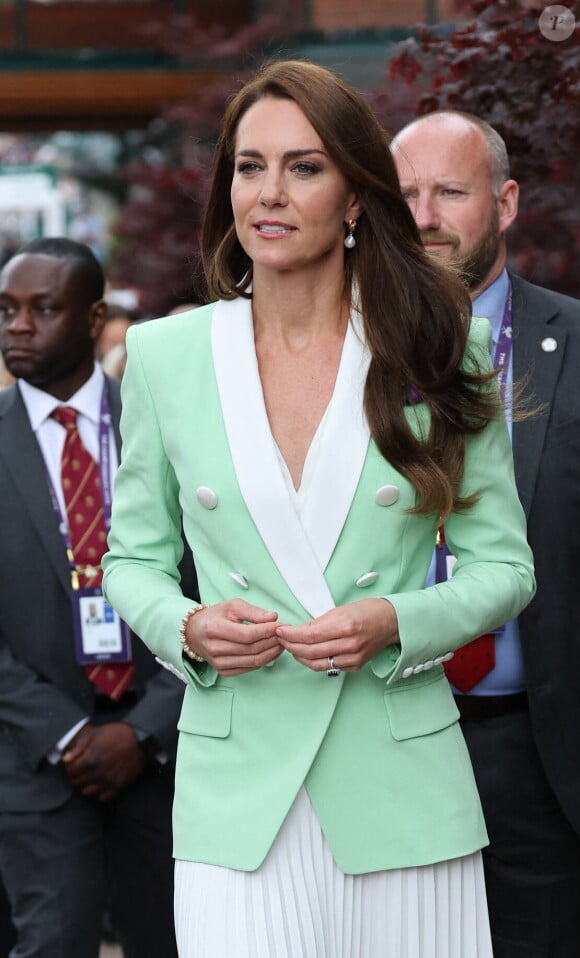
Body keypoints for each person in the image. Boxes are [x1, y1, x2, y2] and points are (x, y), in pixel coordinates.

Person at [102, 61, 535, 958]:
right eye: (249, 166)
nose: (269, 191)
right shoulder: (165, 356)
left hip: (403, 786)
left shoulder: (441, 346)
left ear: (353, 197)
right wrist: (187, 624)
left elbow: (505, 569)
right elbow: (131, 562)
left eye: (303, 167)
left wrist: (395, 619)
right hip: (236, 793)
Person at [392, 110, 580, 957]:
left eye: (450, 192)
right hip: (384, 734)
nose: (424, 215)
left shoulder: (572, 342)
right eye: (404, 194)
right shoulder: (340, 350)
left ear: (504, 203)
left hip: (537, 747)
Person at [0, 237, 196, 958]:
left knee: (174, 941)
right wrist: (66, 734)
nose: (18, 326)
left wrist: (143, 730)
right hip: (34, 760)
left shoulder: (167, 426)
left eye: (42, 309)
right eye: (6, 310)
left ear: (93, 317)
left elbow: (215, 586)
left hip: (166, 753)